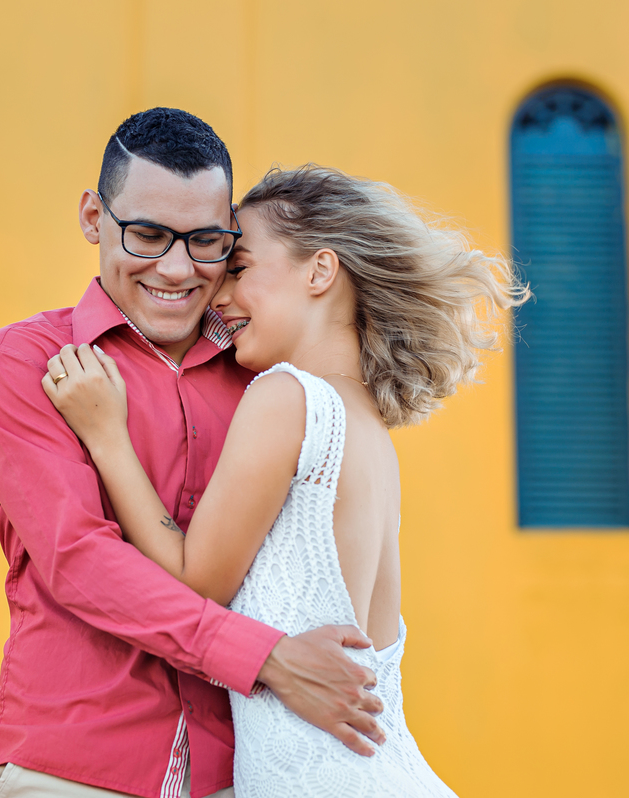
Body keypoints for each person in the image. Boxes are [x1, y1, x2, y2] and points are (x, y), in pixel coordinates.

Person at [43, 164, 528, 796]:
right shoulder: (369, 429)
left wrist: (107, 436)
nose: (217, 296)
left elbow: (194, 582)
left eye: (239, 268)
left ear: (320, 272)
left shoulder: (285, 398)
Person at [0, 110, 384, 798]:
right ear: (94, 217)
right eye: (149, 234)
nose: (177, 268)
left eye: (207, 242)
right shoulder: (25, 364)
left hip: (240, 773)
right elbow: (80, 561)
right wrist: (268, 659)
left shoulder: (268, 380)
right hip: (73, 769)